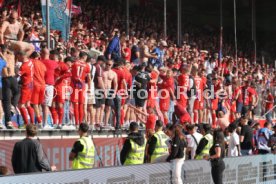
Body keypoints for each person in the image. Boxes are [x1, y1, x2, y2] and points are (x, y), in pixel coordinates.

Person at [71, 52, 91, 129]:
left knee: (75, 104)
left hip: (74, 84)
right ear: (84, 57)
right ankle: (80, 122)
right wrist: (89, 87)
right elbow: (89, 78)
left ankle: (76, 123)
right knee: (81, 104)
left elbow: (71, 74)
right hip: (82, 85)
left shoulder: (74, 63)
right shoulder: (87, 65)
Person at [17, 51, 35, 127]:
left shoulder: (23, 66)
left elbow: (17, 75)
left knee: (20, 105)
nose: (18, 58)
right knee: (28, 104)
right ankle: (32, 122)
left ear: (22, 56)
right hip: (31, 84)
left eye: (18, 57)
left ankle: (26, 123)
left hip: (26, 85)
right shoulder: (30, 62)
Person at [30, 51, 46, 128]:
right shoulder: (42, 64)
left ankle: (39, 122)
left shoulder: (31, 62)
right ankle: (39, 121)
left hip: (35, 85)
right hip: (43, 84)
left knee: (35, 104)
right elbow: (45, 72)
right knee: (39, 104)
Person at [102, 59, 117, 128]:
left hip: (109, 90)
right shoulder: (102, 71)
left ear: (112, 65)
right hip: (101, 90)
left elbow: (115, 84)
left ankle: (105, 123)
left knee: (108, 107)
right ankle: (99, 122)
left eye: (109, 64)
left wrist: (114, 92)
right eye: (107, 64)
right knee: (101, 107)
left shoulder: (113, 73)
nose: (108, 65)